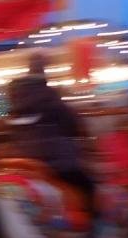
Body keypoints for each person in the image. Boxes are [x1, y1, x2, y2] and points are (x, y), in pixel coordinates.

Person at [6, 52, 98, 222]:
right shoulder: (50, 96)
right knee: (89, 188)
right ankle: (91, 225)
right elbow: (72, 123)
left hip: (27, 162)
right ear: (44, 70)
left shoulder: (16, 98)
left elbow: (11, 130)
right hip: (59, 165)